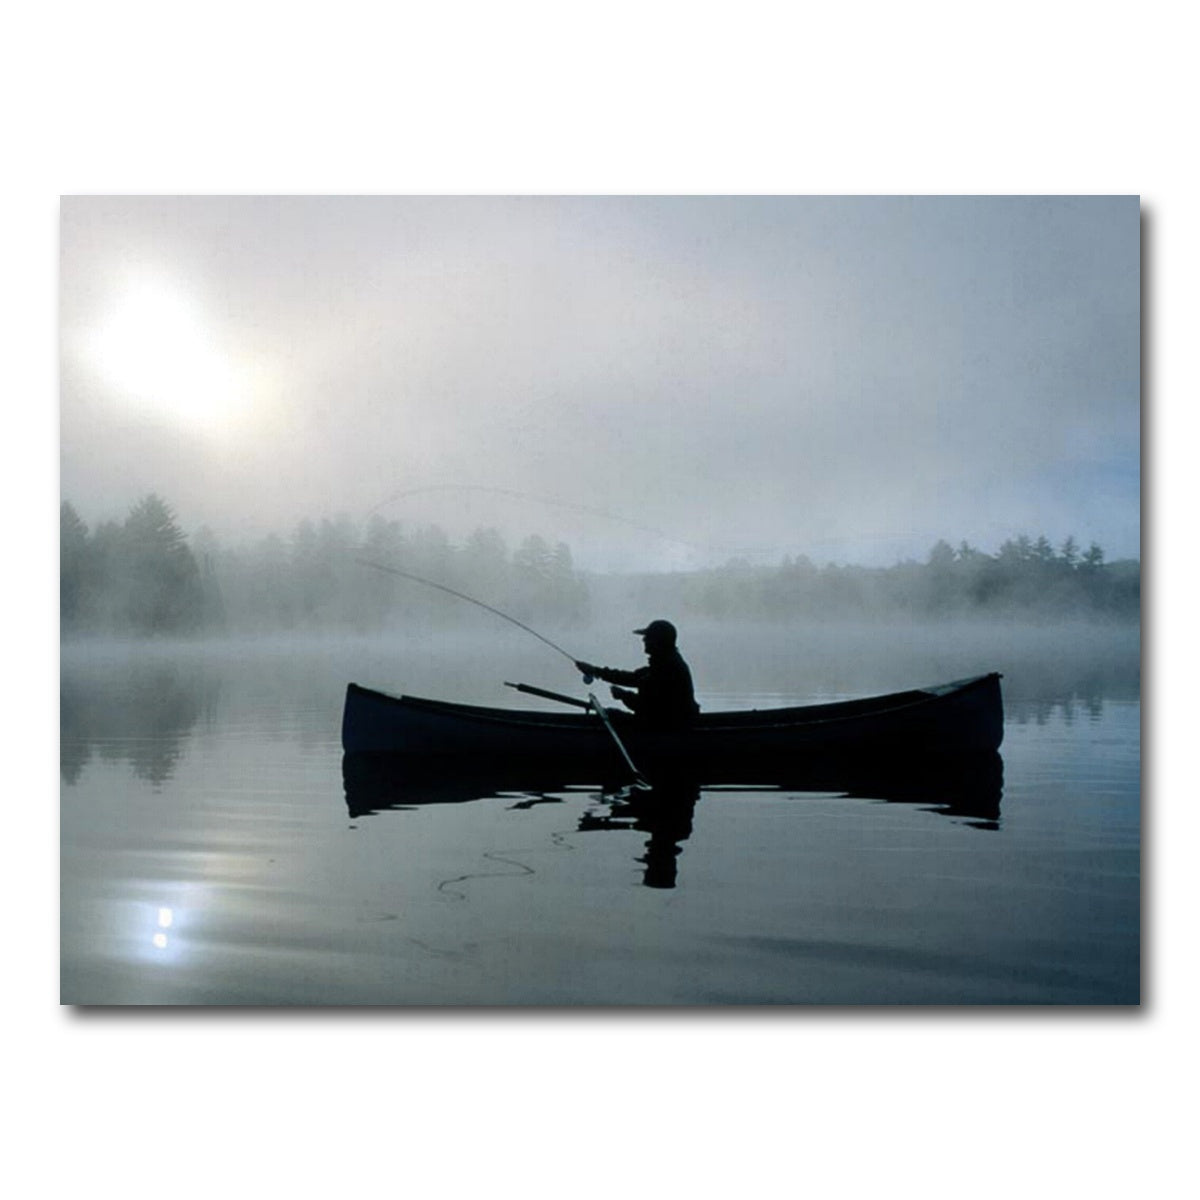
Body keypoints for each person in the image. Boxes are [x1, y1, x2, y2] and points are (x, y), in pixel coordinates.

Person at [575, 619, 699, 730]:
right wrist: (595, 670)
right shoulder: (664, 663)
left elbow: (649, 708)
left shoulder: (667, 668)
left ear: (659, 642)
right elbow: (632, 678)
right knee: (611, 715)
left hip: (668, 726)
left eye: (648, 637)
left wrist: (623, 695)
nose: (643, 640)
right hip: (670, 722)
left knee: (612, 716)